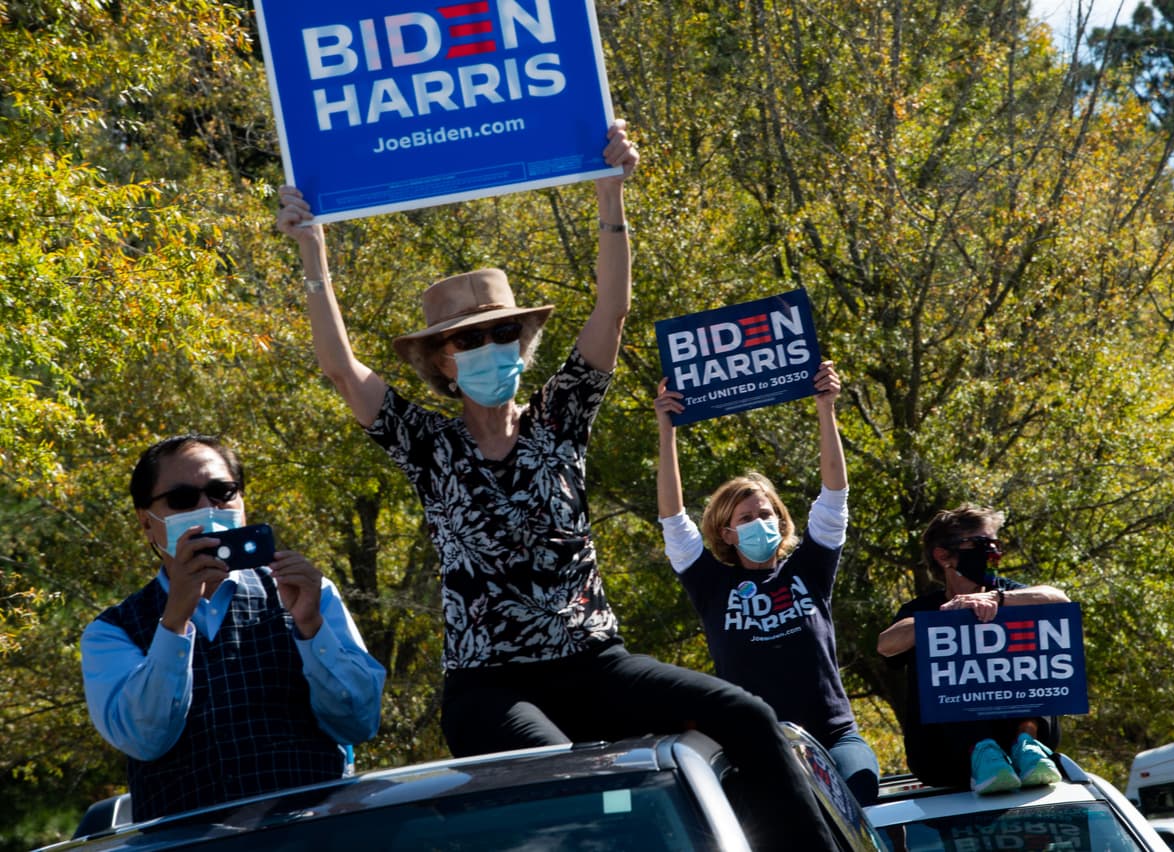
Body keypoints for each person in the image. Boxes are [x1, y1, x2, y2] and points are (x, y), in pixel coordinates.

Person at [276, 121, 841, 851]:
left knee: (750, 718)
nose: (489, 349)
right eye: (469, 340)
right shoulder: (430, 445)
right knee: (565, 779)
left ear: (523, 345)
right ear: (442, 363)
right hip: (491, 688)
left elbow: (612, 310)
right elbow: (340, 370)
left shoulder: (560, 417)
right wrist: (313, 253)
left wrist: (610, 193)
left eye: (502, 335)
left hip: (596, 664)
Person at [81, 435, 386, 821]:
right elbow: (145, 739)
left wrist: (311, 626)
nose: (207, 507)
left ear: (241, 501)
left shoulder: (309, 592)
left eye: (222, 491)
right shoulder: (111, 632)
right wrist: (174, 622)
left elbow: (359, 721)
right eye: (182, 499)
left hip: (310, 837)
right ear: (147, 521)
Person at [653, 363, 881, 805]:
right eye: (746, 518)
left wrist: (826, 408)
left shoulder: (809, 569)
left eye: (766, 514)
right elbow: (673, 522)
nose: (759, 522)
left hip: (836, 738)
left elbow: (835, 498)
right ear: (726, 532)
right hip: (762, 747)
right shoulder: (710, 584)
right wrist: (667, 433)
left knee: (861, 794)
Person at [876, 504, 1070, 793]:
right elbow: (885, 646)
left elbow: (1059, 601)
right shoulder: (922, 609)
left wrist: (999, 599)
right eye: (982, 544)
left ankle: (1028, 747)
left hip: (1026, 740)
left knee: (1035, 664)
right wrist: (946, 616)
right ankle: (982, 753)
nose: (993, 553)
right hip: (944, 758)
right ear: (943, 556)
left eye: (996, 544)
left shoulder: (1011, 594)